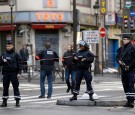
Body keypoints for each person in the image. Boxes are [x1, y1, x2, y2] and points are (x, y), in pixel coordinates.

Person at [0, 40, 22, 107]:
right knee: (5, 87)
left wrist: (19, 73)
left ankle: (17, 102)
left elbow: (19, 64)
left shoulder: (16, 54)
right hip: (6, 73)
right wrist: (3, 61)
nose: (8, 47)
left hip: (14, 73)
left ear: (12, 46)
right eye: (7, 46)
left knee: (15, 87)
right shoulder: (3, 54)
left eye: (9, 46)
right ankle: (4, 102)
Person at [116, 34, 135, 108]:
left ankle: (132, 101)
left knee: (131, 85)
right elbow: (117, 57)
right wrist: (119, 62)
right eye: (123, 39)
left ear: (129, 40)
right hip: (123, 69)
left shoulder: (133, 48)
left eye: (126, 39)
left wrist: (129, 66)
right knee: (125, 85)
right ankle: (128, 100)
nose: (124, 40)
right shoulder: (121, 48)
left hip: (131, 69)